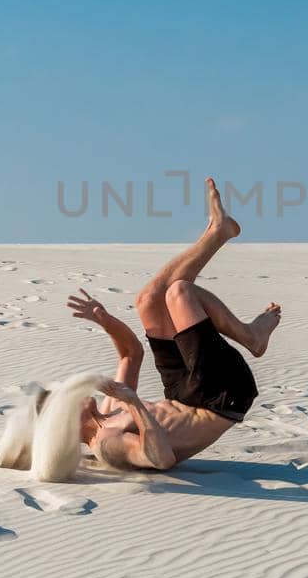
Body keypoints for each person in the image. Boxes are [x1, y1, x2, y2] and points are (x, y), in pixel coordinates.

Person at [64, 178, 281, 470]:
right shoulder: (106, 443)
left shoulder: (107, 409)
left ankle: (219, 231)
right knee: (180, 292)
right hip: (217, 398)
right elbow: (161, 459)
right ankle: (252, 337)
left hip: (182, 390)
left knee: (149, 300)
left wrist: (105, 320)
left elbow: (131, 353)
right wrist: (134, 403)